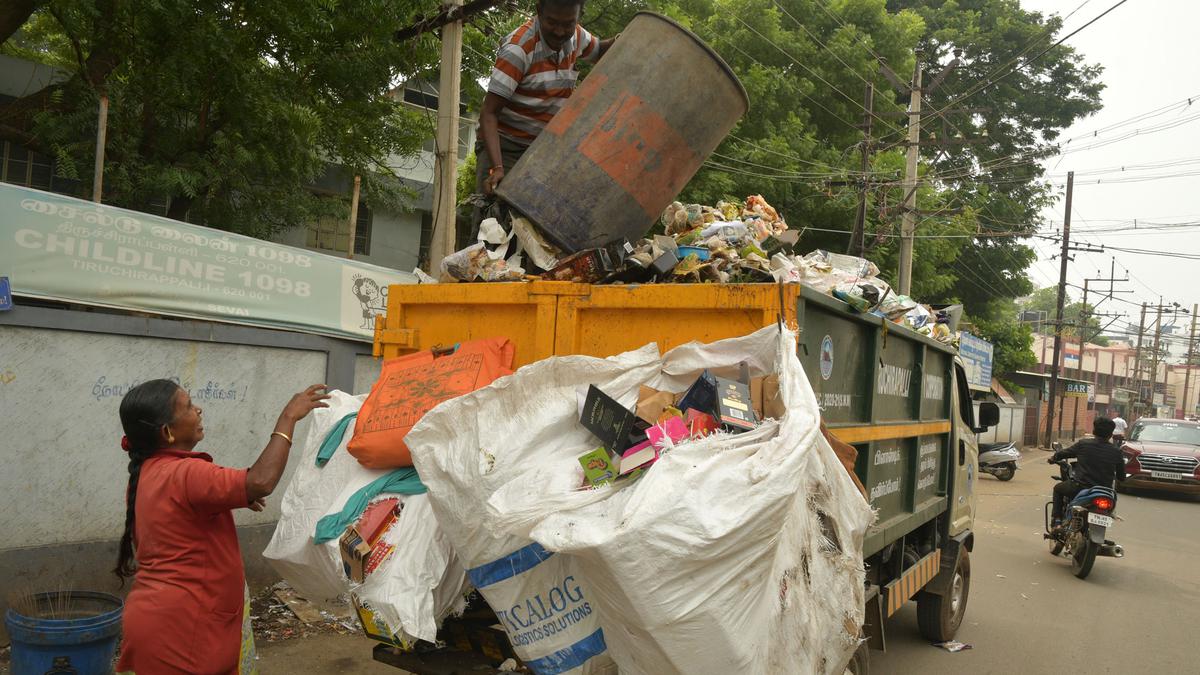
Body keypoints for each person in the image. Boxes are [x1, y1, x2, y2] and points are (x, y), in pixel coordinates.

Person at [114, 379, 329, 674]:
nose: (198, 410)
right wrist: (288, 418)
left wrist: (229, 499)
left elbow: (183, 514)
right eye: (188, 406)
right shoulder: (188, 473)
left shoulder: (149, 473)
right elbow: (261, 481)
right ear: (168, 432)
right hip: (185, 629)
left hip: (159, 620)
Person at [475, 0, 618, 205]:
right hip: (504, 147)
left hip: (542, 148)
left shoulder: (576, 35)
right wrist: (497, 168)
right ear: (539, 11)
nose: (560, 32)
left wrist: (629, 36)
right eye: (552, 22)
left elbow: (599, 52)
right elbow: (489, 113)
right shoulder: (519, 49)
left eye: (568, 23)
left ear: (579, 16)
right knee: (494, 224)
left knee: (538, 225)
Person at [1048, 416, 1125, 526]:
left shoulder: (1083, 444)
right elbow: (1122, 477)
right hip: (1106, 493)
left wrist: (1054, 458)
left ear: (1094, 431)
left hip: (1080, 488)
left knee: (1058, 488)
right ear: (1111, 434)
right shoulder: (1117, 452)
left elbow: (1064, 453)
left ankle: (1057, 520)